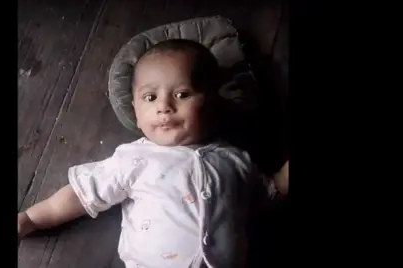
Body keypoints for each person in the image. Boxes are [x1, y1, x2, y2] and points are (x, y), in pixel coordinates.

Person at [18, 39, 289, 268]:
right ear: (136, 113)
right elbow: (81, 194)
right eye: (150, 98)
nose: (164, 107)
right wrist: (31, 219)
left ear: (214, 103)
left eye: (182, 94)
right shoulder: (135, 159)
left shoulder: (236, 160)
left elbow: (269, 195)